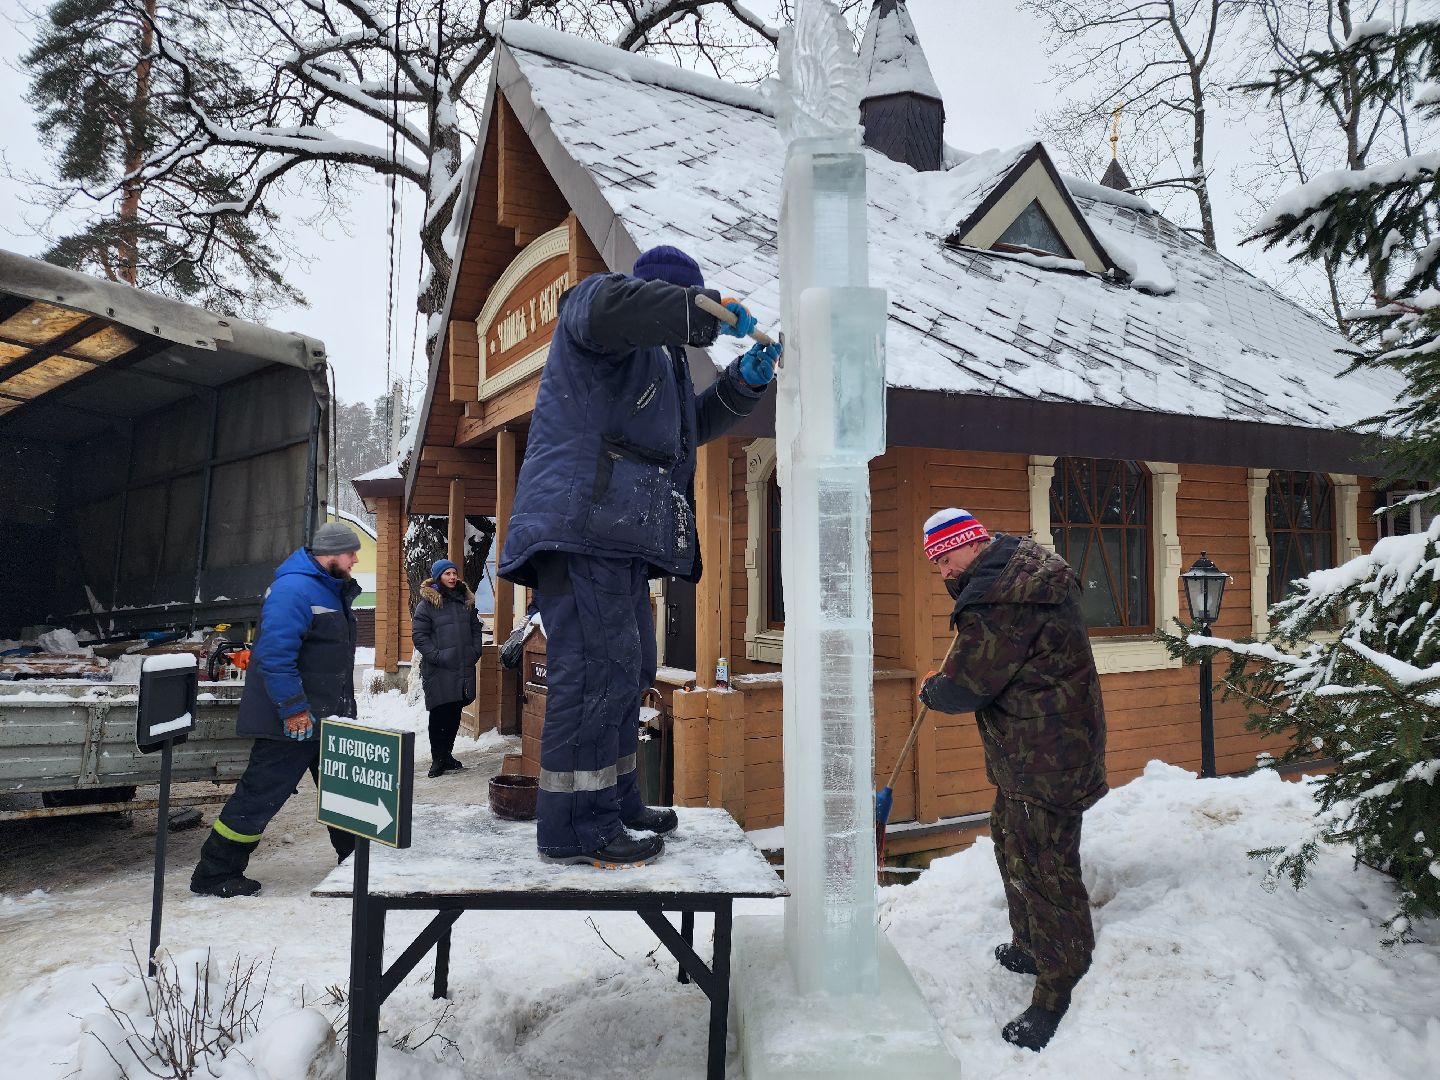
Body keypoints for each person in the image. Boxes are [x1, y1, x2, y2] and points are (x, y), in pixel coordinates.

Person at [499, 244, 779, 868]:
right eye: (683, 313)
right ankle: (574, 824)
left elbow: (685, 432)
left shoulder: (664, 362)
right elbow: (619, 308)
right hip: (581, 526)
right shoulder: (596, 307)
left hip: (618, 537)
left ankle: (616, 799)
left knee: (628, 667)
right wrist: (698, 311)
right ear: (663, 299)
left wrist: (743, 384)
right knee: (596, 670)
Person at [915, 508, 1107, 1052]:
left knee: (1045, 865)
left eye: (945, 559)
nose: (942, 572)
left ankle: (1059, 983)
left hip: (1046, 753)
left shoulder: (1002, 601)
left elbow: (969, 685)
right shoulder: (1016, 574)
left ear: (970, 544)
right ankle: (1030, 944)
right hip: (1042, 744)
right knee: (1011, 840)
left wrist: (937, 688)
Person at [189, 522, 364, 897]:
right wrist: (293, 709)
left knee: (344, 791)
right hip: (293, 722)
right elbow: (274, 657)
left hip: (327, 718)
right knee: (260, 796)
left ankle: (357, 864)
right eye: (350, 553)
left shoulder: (329, 589)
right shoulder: (294, 590)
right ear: (330, 554)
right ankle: (215, 873)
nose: (355, 559)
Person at [412, 558, 486, 777]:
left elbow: (476, 628)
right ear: (438, 577)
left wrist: (475, 651)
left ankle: (447, 755)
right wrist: (436, 656)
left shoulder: (465, 601)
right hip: (438, 667)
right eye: (447, 574)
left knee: (454, 712)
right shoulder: (427, 604)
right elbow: (419, 635)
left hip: (462, 665)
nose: (452, 577)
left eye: (454, 573)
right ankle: (437, 759)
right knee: (439, 713)